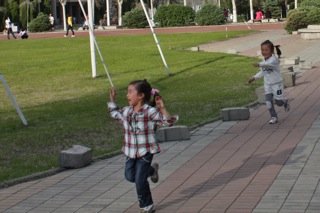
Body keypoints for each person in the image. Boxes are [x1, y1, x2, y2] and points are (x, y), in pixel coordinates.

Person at [108, 79, 178, 213]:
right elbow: (115, 114)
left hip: (145, 151)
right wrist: (112, 100)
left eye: (130, 92)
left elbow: (168, 123)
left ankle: (147, 206)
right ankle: (152, 171)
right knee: (130, 177)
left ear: (140, 96)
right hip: (130, 151)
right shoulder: (127, 111)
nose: (127, 95)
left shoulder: (149, 112)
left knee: (140, 181)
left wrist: (162, 108)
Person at [248, 40, 290, 124]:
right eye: (262, 50)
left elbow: (268, 65)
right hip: (268, 85)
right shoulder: (263, 62)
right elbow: (262, 71)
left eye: (266, 50)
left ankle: (285, 101)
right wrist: (254, 78)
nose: (264, 52)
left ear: (271, 51)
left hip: (277, 84)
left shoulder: (274, 60)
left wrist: (259, 64)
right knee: (268, 102)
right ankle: (273, 117)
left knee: (279, 103)